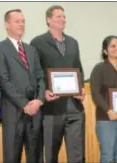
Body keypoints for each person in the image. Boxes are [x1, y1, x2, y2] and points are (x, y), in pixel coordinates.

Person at [30, 5, 85, 163]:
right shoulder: (38, 42)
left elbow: (78, 70)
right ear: (48, 20)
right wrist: (44, 92)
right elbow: (35, 73)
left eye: (64, 16)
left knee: (77, 156)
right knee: (51, 155)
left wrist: (80, 89)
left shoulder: (73, 42)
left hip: (75, 107)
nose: (62, 19)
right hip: (51, 109)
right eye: (58, 16)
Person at [0, 9, 45, 163]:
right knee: (12, 157)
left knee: (36, 157)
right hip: (13, 112)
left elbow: (41, 77)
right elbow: (3, 81)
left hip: (35, 112)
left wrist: (39, 101)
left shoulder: (31, 50)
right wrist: (24, 104)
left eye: (23, 21)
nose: (21, 24)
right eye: (17, 21)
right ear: (7, 24)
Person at [90, 35, 117, 163]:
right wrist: (109, 111)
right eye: (113, 46)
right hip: (106, 119)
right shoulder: (99, 69)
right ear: (105, 51)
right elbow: (95, 93)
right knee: (107, 155)